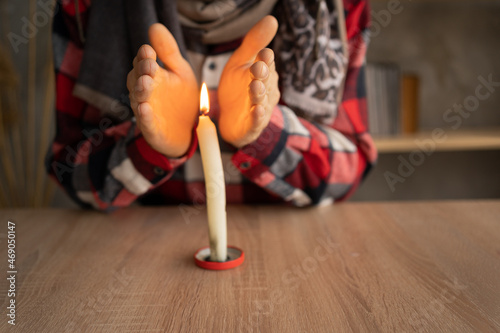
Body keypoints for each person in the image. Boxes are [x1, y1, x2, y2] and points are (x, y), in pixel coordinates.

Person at [46, 0, 377, 211]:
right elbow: (68, 172)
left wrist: (266, 134)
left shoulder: (336, 9)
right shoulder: (85, 8)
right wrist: (154, 147)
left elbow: (349, 174)